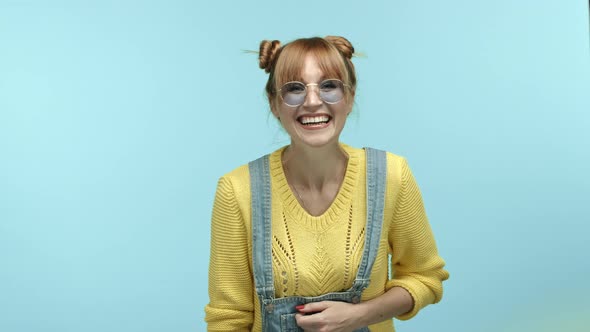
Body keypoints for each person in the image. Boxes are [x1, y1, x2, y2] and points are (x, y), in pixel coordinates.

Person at [205, 36, 449, 332]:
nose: (312, 101)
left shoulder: (391, 175)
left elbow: (424, 277)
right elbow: (227, 318)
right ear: (274, 104)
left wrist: (361, 315)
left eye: (329, 86)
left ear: (350, 97)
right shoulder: (238, 190)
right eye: (294, 89)